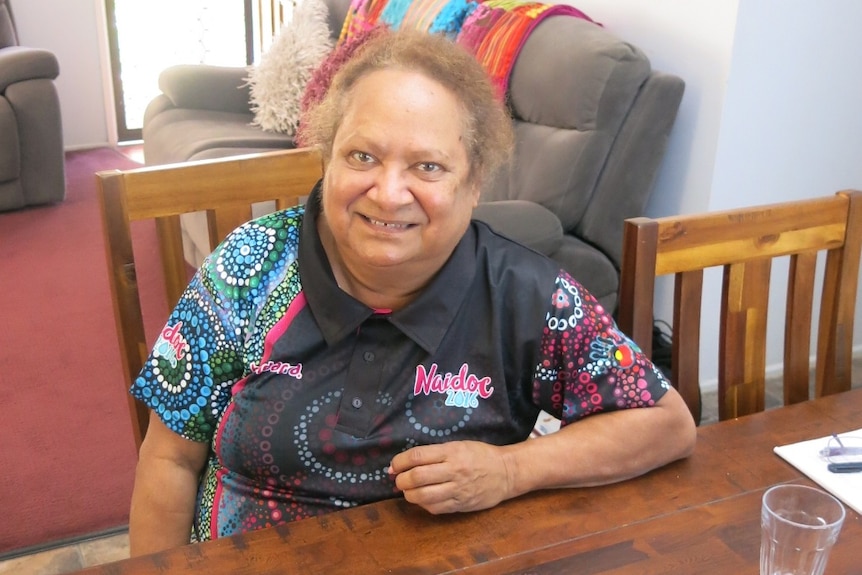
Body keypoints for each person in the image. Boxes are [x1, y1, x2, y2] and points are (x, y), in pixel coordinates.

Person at [128, 28, 696, 556]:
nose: (389, 192)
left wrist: (510, 471)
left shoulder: (526, 296)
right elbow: (170, 458)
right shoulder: (249, 268)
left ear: (474, 185)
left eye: (427, 166)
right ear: (326, 158)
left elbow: (666, 422)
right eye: (363, 156)